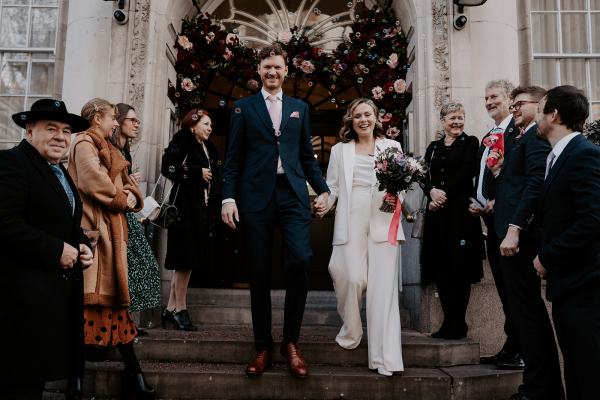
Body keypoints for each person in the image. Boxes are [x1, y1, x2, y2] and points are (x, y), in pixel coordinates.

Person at [221, 44, 330, 378]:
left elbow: (306, 157)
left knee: (300, 259)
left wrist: (324, 189)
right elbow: (233, 160)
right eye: (267, 67)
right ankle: (263, 345)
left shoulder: (300, 108)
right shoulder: (242, 108)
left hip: (293, 196)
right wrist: (228, 198)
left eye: (277, 67)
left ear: (286, 71)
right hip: (255, 198)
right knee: (259, 272)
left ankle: (291, 342)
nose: (272, 72)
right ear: (259, 70)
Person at [0, 99, 93, 400]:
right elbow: (5, 222)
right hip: (18, 303)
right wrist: (55, 249)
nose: (60, 137)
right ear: (29, 131)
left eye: (66, 131)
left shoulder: (57, 170)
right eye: (50, 128)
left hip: (49, 301)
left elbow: (59, 221)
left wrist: (81, 245)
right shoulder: (12, 163)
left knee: (33, 383)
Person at [68, 98, 155, 399]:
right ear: (96, 118)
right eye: (111, 118)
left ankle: (132, 376)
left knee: (114, 307)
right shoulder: (83, 144)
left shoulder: (110, 148)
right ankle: (78, 381)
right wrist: (122, 198)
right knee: (90, 308)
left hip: (112, 237)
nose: (116, 123)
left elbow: (125, 182)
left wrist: (132, 195)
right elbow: (95, 182)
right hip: (96, 236)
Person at [488, 85, 564, 400]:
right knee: (522, 314)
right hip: (505, 236)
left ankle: (539, 388)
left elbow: (535, 185)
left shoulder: (535, 138)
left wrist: (515, 229)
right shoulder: (517, 137)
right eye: (514, 103)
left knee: (529, 315)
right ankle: (537, 385)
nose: (514, 108)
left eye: (520, 103)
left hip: (521, 241)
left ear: (539, 105)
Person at [319, 98, 404, 376]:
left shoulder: (392, 147)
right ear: (351, 121)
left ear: (377, 117)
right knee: (349, 275)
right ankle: (352, 328)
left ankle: (385, 358)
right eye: (358, 116)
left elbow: (401, 186)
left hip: (383, 215)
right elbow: (332, 187)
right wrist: (324, 203)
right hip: (351, 215)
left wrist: (395, 199)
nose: (363, 120)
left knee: (382, 290)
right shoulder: (341, 150)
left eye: (368, 114)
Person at [533, 85, 599, 400]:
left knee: (588, 374)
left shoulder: (584, 154)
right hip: (568, 285)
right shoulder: (557, 157)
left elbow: (592, 219)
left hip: (585, 287)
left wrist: (548, 257)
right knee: (575, 369)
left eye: (540, 108)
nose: (535, 116)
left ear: (554, 115)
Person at [471, 79, 524, 370]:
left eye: (494, 97)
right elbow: (485, 174)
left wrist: (499, 199)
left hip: (509, 222)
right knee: (504, 289)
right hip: (491, 220)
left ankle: (522, 349)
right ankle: (511, 345)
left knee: (514, 288)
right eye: (486, 97)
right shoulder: (489, 135)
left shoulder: (516, 133)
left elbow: (517, 176)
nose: (489, 101)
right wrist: (478, 200)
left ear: (509, 99)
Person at [421, 101, 484, 340]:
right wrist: (430, 192)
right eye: (452, 118)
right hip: (438, 216)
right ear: (442, 121)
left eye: (461, 117)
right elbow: (421, 174)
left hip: (460, 215)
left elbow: (467, 172)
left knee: (460, 268)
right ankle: (448, 323)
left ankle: (459, 323)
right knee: (442, 268)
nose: (457, 122)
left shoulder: (470, 142)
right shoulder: (433, 147)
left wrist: (442, 194)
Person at [161, 108, 220, 330]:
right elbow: (167, 167)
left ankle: (170, 309)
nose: (210, 128)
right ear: (192, 125)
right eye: (206, 124)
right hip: (183, 211)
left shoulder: (209, 148)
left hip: (200, 211)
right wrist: (197, 172)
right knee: (184, 261)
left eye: (211, 125)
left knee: (186, 262)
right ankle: (181, 309)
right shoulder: (182, 140)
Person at [112, 103, 161, 327]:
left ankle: (128, 322)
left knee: (144, 265)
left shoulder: (125, 151)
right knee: (125, 269)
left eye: (138, 120)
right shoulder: (107, 148)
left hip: (128, 213)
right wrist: (127, 185)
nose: (137, 124)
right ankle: (124, 324)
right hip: (114, 215)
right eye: (132, 120)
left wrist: (131, 184)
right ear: (118, 121)